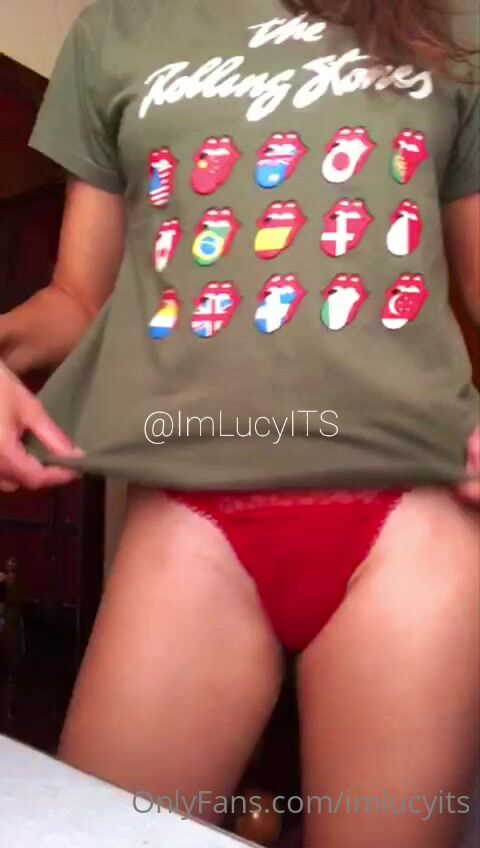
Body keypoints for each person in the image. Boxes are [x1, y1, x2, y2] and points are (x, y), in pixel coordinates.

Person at [0, 1, 479, 845]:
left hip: (414, 519)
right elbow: (77, 298)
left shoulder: (454, 21)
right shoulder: (116, 30)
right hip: (190, 522)